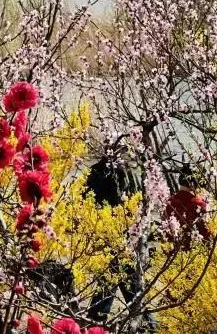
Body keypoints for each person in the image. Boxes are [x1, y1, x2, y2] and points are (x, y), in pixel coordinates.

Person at [84, 143, 155, 333]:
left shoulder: (99, 172)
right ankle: (147, 324)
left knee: (115, 281)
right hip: (120, 235)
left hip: (108, 235)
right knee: (124, 283)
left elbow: (86, 201)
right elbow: (136, 202)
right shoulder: (116, 173)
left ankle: (96, 321)